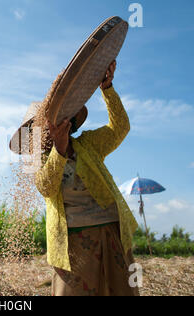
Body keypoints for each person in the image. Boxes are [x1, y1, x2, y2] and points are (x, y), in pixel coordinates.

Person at [34, 60, 139, 296]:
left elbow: (120, 128)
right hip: (73, 241)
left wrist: (107, 89)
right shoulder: (41, 160)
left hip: (111, 231)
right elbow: (46, 187)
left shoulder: (88, 145)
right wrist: (58, 152)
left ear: (69, 122)